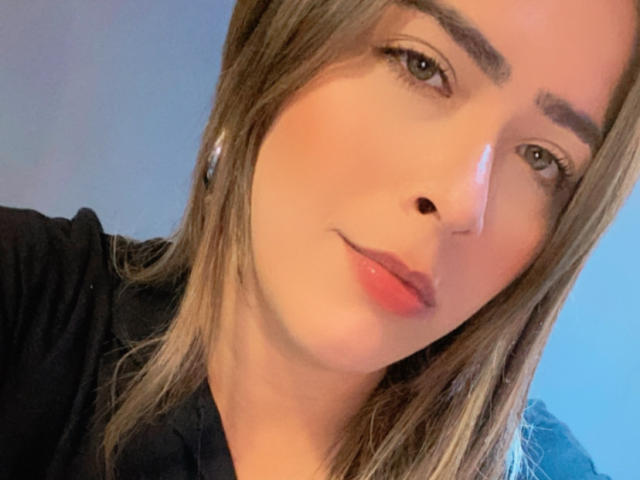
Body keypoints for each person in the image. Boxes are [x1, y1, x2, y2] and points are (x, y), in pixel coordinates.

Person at [1, 0, 638, 479]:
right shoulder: (30, 306)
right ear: (286, 36)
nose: (461, 201)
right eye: (422, 67)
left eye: (541, 158)